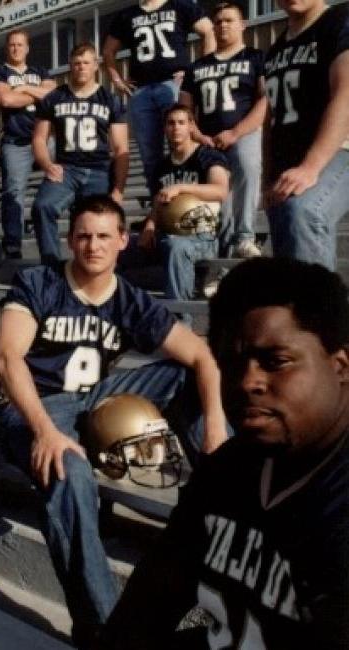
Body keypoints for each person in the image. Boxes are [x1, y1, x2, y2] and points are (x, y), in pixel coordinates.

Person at [0, 194, 227, 648]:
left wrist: (216, 428)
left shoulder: (130, 299)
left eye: (104, 236)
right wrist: (45, 430)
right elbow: (6, 358)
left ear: (123, 240)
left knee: (187, 374)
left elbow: (202, 355)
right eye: (83, 235)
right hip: (33, 411)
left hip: (94, 404)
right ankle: (101, 626)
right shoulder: (38, 283)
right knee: (70, 470)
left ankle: (217, 492)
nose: (92, 246)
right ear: (69, 239)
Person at [104, 256, 349, 649]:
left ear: (340, 365)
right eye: (231, 363)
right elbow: (149, 603)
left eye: (276, 361)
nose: (248, 380)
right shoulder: (229, 467)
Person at [263, 0, 349, 270]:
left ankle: (318, 312)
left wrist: (311, 166)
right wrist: (267, 177)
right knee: (287, 265)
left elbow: (346, 93)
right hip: (289, 163)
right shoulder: (277, 47)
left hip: (337, 151)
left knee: (304, 212)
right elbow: (271, 119)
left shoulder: (338, 19)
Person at [103, 0, 215, 196]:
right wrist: (117, 80)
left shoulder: (181, 5)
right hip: (141, 89)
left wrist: (199, 71)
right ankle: (158, 207)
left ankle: (189, 199)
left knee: (183, 144)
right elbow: (108, 50)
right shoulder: (127, 15)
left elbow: (208, 31)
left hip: (173, 83)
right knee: (149, 154)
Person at [180, 2, 266, 258]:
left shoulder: (255, 57)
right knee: (220, 195)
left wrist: (236, 132)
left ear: (243, 25)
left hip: (244, 132)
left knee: (246, 160)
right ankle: (225, 253)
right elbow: (184, 109)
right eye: (218, 22)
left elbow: (264, 100)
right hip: (207, 139)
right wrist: (197, 135)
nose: (223, 26)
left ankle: (245, 235)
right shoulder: (196, 67)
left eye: (229, 20)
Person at [31, 43, 129, 265]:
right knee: (42, 207)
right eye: (76, 63)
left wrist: (118, 189)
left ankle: (95, 268)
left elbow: (121, 148)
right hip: (66, 169)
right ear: (69, 67)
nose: (81, 67)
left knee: (97, 222)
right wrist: (47, 165)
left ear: (96, 65)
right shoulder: (54, 97)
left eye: (86, 63)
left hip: (99, 170)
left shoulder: (110, 99)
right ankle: (52, 267)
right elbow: (38, 138)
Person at [138, 104, 229, 304]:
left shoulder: (207, 155)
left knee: (176, 247)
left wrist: (181, 188)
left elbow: (220, 191)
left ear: (191, 127)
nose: (176, 127)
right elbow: (157, 201)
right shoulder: (161, 165)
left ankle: (181, 322)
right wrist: (150, 225)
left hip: (202, 235)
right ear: (165, 129)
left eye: (181, 122)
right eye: (171, 123)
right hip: (165, 233)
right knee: (119, 247)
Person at [0, 29, 56, 259]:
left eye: (20, 44)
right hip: (16, 142)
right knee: (13, 192)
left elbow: (54, 96)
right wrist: (38, 95)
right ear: (7, 48)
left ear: (27, 48)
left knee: (71, 171)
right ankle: (13, 243)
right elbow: (5, 98)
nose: (16, 48)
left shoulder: (39, 70)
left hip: (46, 139)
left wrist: (24, 89)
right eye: (12, 45)